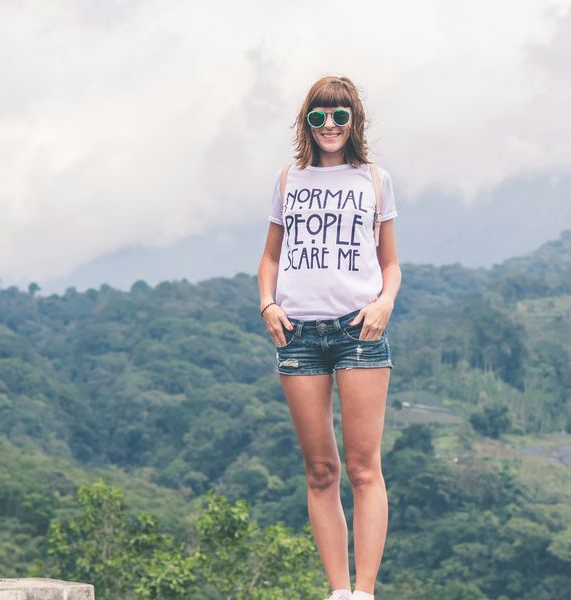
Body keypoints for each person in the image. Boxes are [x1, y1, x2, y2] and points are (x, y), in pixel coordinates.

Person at [256, 75, 401, 600]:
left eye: (339, 115)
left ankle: (364, 591)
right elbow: (270, 257)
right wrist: (268, 304)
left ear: (353, 120)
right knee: (320, 469)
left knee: (364, 468)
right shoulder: (288, 179)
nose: (330, 126)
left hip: (358, 329)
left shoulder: (375, 180)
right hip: (297, 334)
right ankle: (337, 590)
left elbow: (391, 264)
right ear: (307, 122)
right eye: (319, 116)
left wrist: (384, 303)